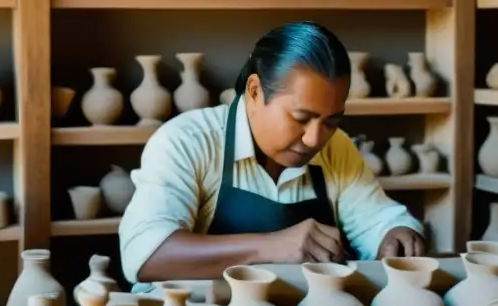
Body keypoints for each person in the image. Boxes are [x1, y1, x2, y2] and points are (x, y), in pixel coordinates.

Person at [118, 21, 427, 288]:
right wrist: (271, 246)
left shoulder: (336, 147)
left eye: (331, 120)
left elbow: (377, 219)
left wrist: (396, 233)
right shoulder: (188, 141)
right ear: (255, 91)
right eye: (301, 118)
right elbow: (147, 255)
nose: (315, 138)